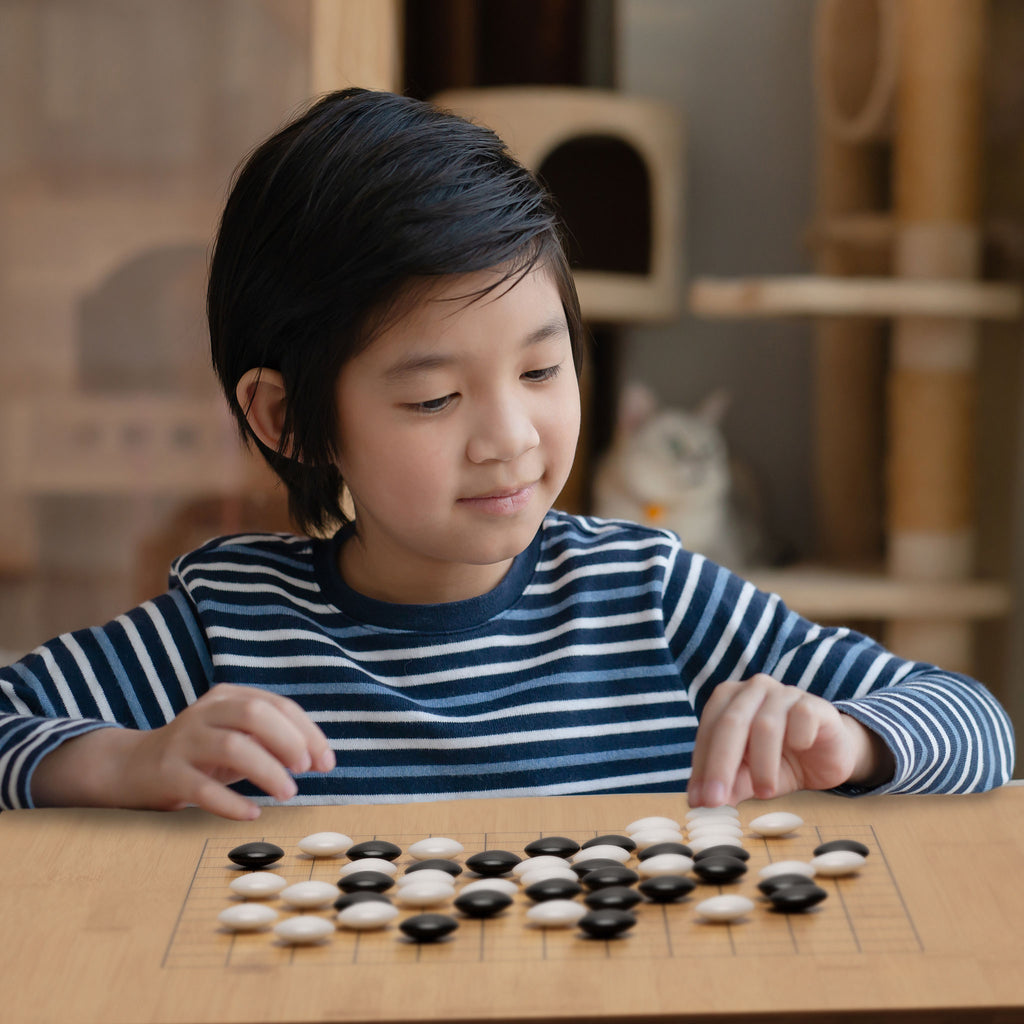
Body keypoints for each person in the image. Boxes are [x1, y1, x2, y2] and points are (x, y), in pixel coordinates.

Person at [0, 89, 1014, 821]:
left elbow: (975, 722)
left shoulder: (649, 593)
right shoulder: (230, 624)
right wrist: (125, 761)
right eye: (435, 396)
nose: (512, 438)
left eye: (541, 370)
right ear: (286, 420)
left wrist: (852, 739)